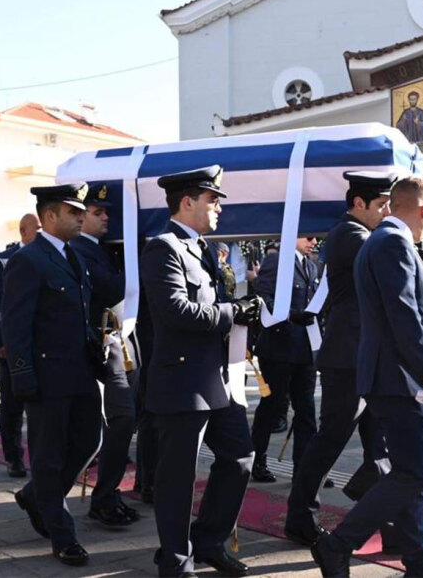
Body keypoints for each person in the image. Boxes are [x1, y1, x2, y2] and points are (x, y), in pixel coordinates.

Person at [310, 176, 423, 578]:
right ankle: (338, 543)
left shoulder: (382, 240)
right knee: (413, 472)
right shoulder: (392, 243)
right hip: (399, 380)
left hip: (390, 378)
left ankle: (418, 562)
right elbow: (405, 317)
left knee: (404, 473)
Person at [140, 165, 259, 578]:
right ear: (188, 201)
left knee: (240, 457)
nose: (219, 209)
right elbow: (174, 311)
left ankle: (208, 541)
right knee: (178, 477)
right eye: (213, 200)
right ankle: (175, 560)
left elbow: (215, 304)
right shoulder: (163, 248)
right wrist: (233, 312)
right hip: (183, 379)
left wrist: (245, 312)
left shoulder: (204, 248)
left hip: (216, 377)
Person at [284, 170, 393, 547]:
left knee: (379, 441)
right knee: (330, 439)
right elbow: (387, 265)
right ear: (358, 204)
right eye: (382, 205)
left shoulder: (362, 234)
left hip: (362, 353)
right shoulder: (350, 234)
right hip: (348, 356)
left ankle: (392, 525)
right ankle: (300, 516)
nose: (388, 212)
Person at [3, 183, 102, 566]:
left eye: (82, 211)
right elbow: (16, 327)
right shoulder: (28, 260)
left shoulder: (73, 256)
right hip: (46, 377)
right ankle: (63, 536)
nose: (81, 216)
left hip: (80, 372)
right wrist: (23, 378)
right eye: (72, 211)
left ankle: (34, 496)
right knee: (48, 459)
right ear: (49, 216)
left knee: (89, 442)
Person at [69, 184, 140, 528]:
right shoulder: (79, 250)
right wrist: (135, 259)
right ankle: (101, 497)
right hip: (97, 345)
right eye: (98, 213)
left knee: (121, 421)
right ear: (81, 218)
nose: (106, 218)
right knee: (118, 421)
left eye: (108, 212)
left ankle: (106, 495)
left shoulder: (102, 249)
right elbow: (113, 288)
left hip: (115, 343)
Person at [249, 236, 320, 483]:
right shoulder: (276, 260)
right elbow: (262, 297)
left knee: (307, 410)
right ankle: (257, 460)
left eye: (316, 237)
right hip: (279, 347)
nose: (313, 241)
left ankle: (305, 467)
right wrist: (290, 316)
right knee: (273, 406)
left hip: (305, 348)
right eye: (308, 236)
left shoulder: (311, 265)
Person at [0, 213, 41, 478]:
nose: (41, 234)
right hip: (13, 345)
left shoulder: (52, 256)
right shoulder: (3, 261)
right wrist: (1, 341)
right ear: (23, 231)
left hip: (42, 344)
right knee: (12, 404)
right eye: (37, 230)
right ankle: (14, 457)